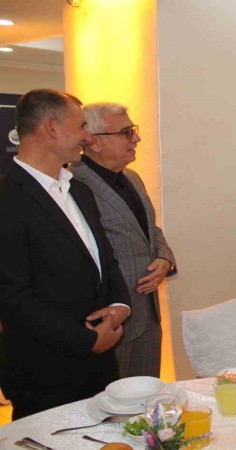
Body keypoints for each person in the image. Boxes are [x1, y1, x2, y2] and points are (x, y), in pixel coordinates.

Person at [0, 89, 131, 419]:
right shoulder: (7, 198)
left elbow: (105, 260)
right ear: (51, 128)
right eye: (81, 126)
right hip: (44, 373)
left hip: (100, 368)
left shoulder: (80, 191)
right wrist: (87, 340)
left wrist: (119, 306)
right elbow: (13, 298)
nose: (87, 137)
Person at [70, 102, 177, 378]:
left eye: (133, 130)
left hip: (148, 312)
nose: (136, 138)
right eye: (126, 132)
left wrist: (164, 258)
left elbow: (150, 230)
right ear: (93, 141)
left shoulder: (132, 177)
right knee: (113, 397)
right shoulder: (74, 184)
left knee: (146, 393)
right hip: (110, 317)